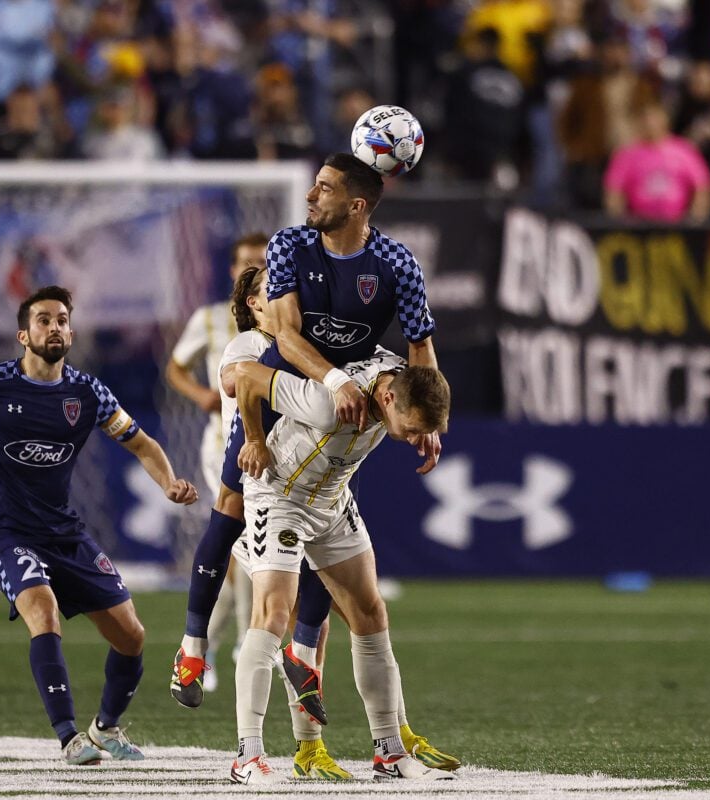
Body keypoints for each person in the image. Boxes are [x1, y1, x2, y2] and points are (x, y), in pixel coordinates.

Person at [0, 285, 199, 764]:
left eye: (63, 319)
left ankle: (105, 728)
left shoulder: (87, 393)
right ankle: (70, 738)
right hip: (6, 533)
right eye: (44, 320)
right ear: (23, 334)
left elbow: (142, 443)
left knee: (132, 636)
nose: (56, 327)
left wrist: (168, 482)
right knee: (42, 610)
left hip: (64, 533)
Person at [172, 153, 442, 702]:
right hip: (284, 392)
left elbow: (421, 349)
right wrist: (328, 383)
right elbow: (287, 337)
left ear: (357, 204)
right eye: (313, 185)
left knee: (328, 526)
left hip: (344, 406)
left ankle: (301, 651)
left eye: (323, 188)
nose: (310, 195)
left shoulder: (398, 263)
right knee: (229, 509)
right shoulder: (290, 244)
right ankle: (193, 644)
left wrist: (431, 417)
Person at [229, 355, 453, 784]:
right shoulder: (328, 401)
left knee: (370, 613)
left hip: (331, 501)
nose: (411, 439)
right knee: (274, 614)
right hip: (280, 498)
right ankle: (247, 757)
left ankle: (389, 754)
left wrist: (425, 428)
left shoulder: (401, 379)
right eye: (410, 429)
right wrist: (255, 438)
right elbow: (245, 375)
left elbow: (419, 360)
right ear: (387, 399)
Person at [166, 232, 268, 691]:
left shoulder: (283, 314)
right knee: (246, 546)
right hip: (224, 445)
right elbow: (175, 368)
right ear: (232, 270)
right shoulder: (210, 320)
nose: (256, 269)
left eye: (263, 262)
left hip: (270, 443)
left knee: (248, 554)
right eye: (247, 262)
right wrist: (201, 394)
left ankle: (203, 645)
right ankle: (245, 647)